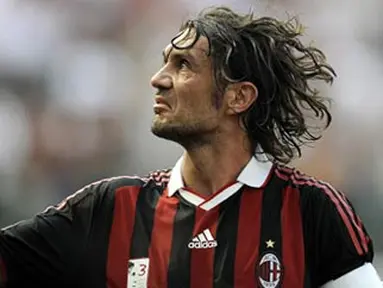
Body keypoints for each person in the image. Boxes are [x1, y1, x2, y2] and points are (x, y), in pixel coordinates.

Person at [0, 6, 381, 288]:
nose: (157, 79)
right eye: (164, 62)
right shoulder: (111, 209)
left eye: (183, 66)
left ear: (238, 97)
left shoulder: (311, 210)